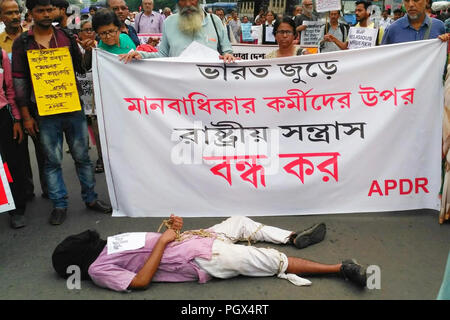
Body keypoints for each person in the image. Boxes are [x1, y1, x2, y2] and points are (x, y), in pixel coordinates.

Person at [52, 215, 369, 292]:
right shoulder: (96, 270)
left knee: (239, 221)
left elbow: (146, 244)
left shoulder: (107, 244)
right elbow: (139, 282)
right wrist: (164, 242)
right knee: (272, 261)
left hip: (191, 240)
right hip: (197, 259)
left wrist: (173, 229)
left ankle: (293, 236)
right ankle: (340, 268)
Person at [12, 0, 112, 226]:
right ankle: (59, 204)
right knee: (52, 161)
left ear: (56, 11)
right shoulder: (23, 43)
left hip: (73, 107)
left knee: (82, 157)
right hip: (44, 112)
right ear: (32, 13)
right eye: (41, 10)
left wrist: (87, 52)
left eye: (50, 9)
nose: (46, 14)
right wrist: (26, 116)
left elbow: (81, 68)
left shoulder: (66, 36)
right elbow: (19, 82)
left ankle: (91, 198)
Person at [119, 0, 235, 63]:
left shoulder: (215, 21)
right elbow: (163, 54)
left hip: (209, 85)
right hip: (178, 91)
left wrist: (228, 56)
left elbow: (226, 51)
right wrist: (141, 54)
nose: (188, 4)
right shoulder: (169, 22)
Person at [0, 40, 27, 228]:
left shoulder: (1, 55)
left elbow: (9, 89)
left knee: (10, 164)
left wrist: (16, 119)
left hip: (4, 116)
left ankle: (16, 209)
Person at [77, 20, 104, 174]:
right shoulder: (76, 47)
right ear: (80, 33)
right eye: (86, 30)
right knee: (96, 127)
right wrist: (88, 51)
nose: (89, 33)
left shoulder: (101, 45)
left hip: (104, 90)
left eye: (92, 29)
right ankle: (100, 157)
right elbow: (84, 67)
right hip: (88, 94)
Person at [382, 0, 449, 45]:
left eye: (416, 0)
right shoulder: (392, 30)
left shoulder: (439, 27)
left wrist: (445, 41)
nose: (411, 4)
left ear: (427, 1)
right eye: (407, 0)